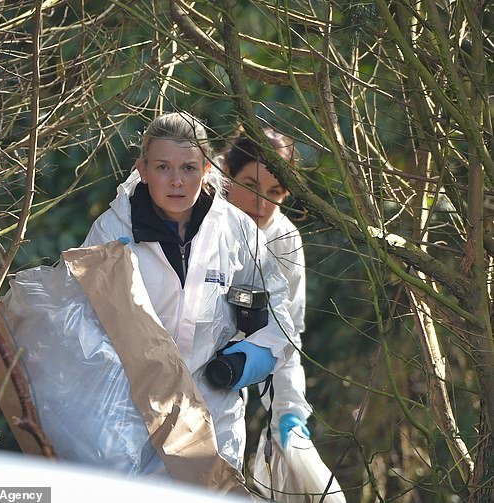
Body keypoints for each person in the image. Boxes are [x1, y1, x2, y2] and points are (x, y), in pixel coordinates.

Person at [81, 112, 296, 472]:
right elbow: (80, 322)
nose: (177, 181)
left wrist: (242, 364)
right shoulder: (113, 231)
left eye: (189, 168)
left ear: (208, 169)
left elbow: (280, 319)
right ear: (143, 170)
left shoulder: (237, 231)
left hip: (213, 420)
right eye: (163, 167)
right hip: (128, 418)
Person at [223, 128, 345, 502]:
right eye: (250, 183)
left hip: (225, 388)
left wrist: (290, 416)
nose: (260, 203)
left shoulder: (285, 241)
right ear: (226, 173)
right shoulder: (196, 220)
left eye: (275, 192)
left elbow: (286, 339)